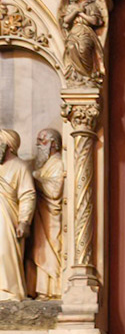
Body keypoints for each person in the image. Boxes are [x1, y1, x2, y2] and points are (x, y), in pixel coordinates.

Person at [28, 128, 65, 298]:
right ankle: (42, 291)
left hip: (51, 217)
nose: (38, 144)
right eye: (38, 140)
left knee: (51, 251)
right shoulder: (43, 164)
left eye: (42, 140)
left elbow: (54, 190)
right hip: (40, 217)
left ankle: (54, 290)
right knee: (40, 252)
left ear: (54, 144)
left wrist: (34, 177)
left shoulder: (57, 163)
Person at [0, 129, 35, 302]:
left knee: (4, 252)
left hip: (8, 217)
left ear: (8, 145)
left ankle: (10, 290)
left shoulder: (20, 167)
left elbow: (28, 195)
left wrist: (24, 221)